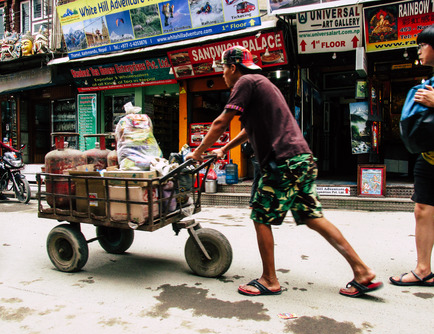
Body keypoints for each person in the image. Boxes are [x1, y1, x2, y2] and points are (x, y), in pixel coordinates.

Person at [186, 45, 382, 297]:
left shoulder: (244, 82)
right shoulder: (262, 83)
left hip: (282, 161)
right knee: (313, 217)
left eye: (223, 69)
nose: (222, 74)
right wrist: (224, 148)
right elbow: (248, 129)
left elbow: (221, 121)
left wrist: (199, 150)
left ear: (233, 67)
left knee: (260, 215)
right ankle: (362, 271)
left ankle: (269, 279)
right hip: (300, 159)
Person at [389, 25, 434, 287]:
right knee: (422, 210)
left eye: (422, 45)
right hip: (428, 158)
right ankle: (423, 269)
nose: (418, 50)